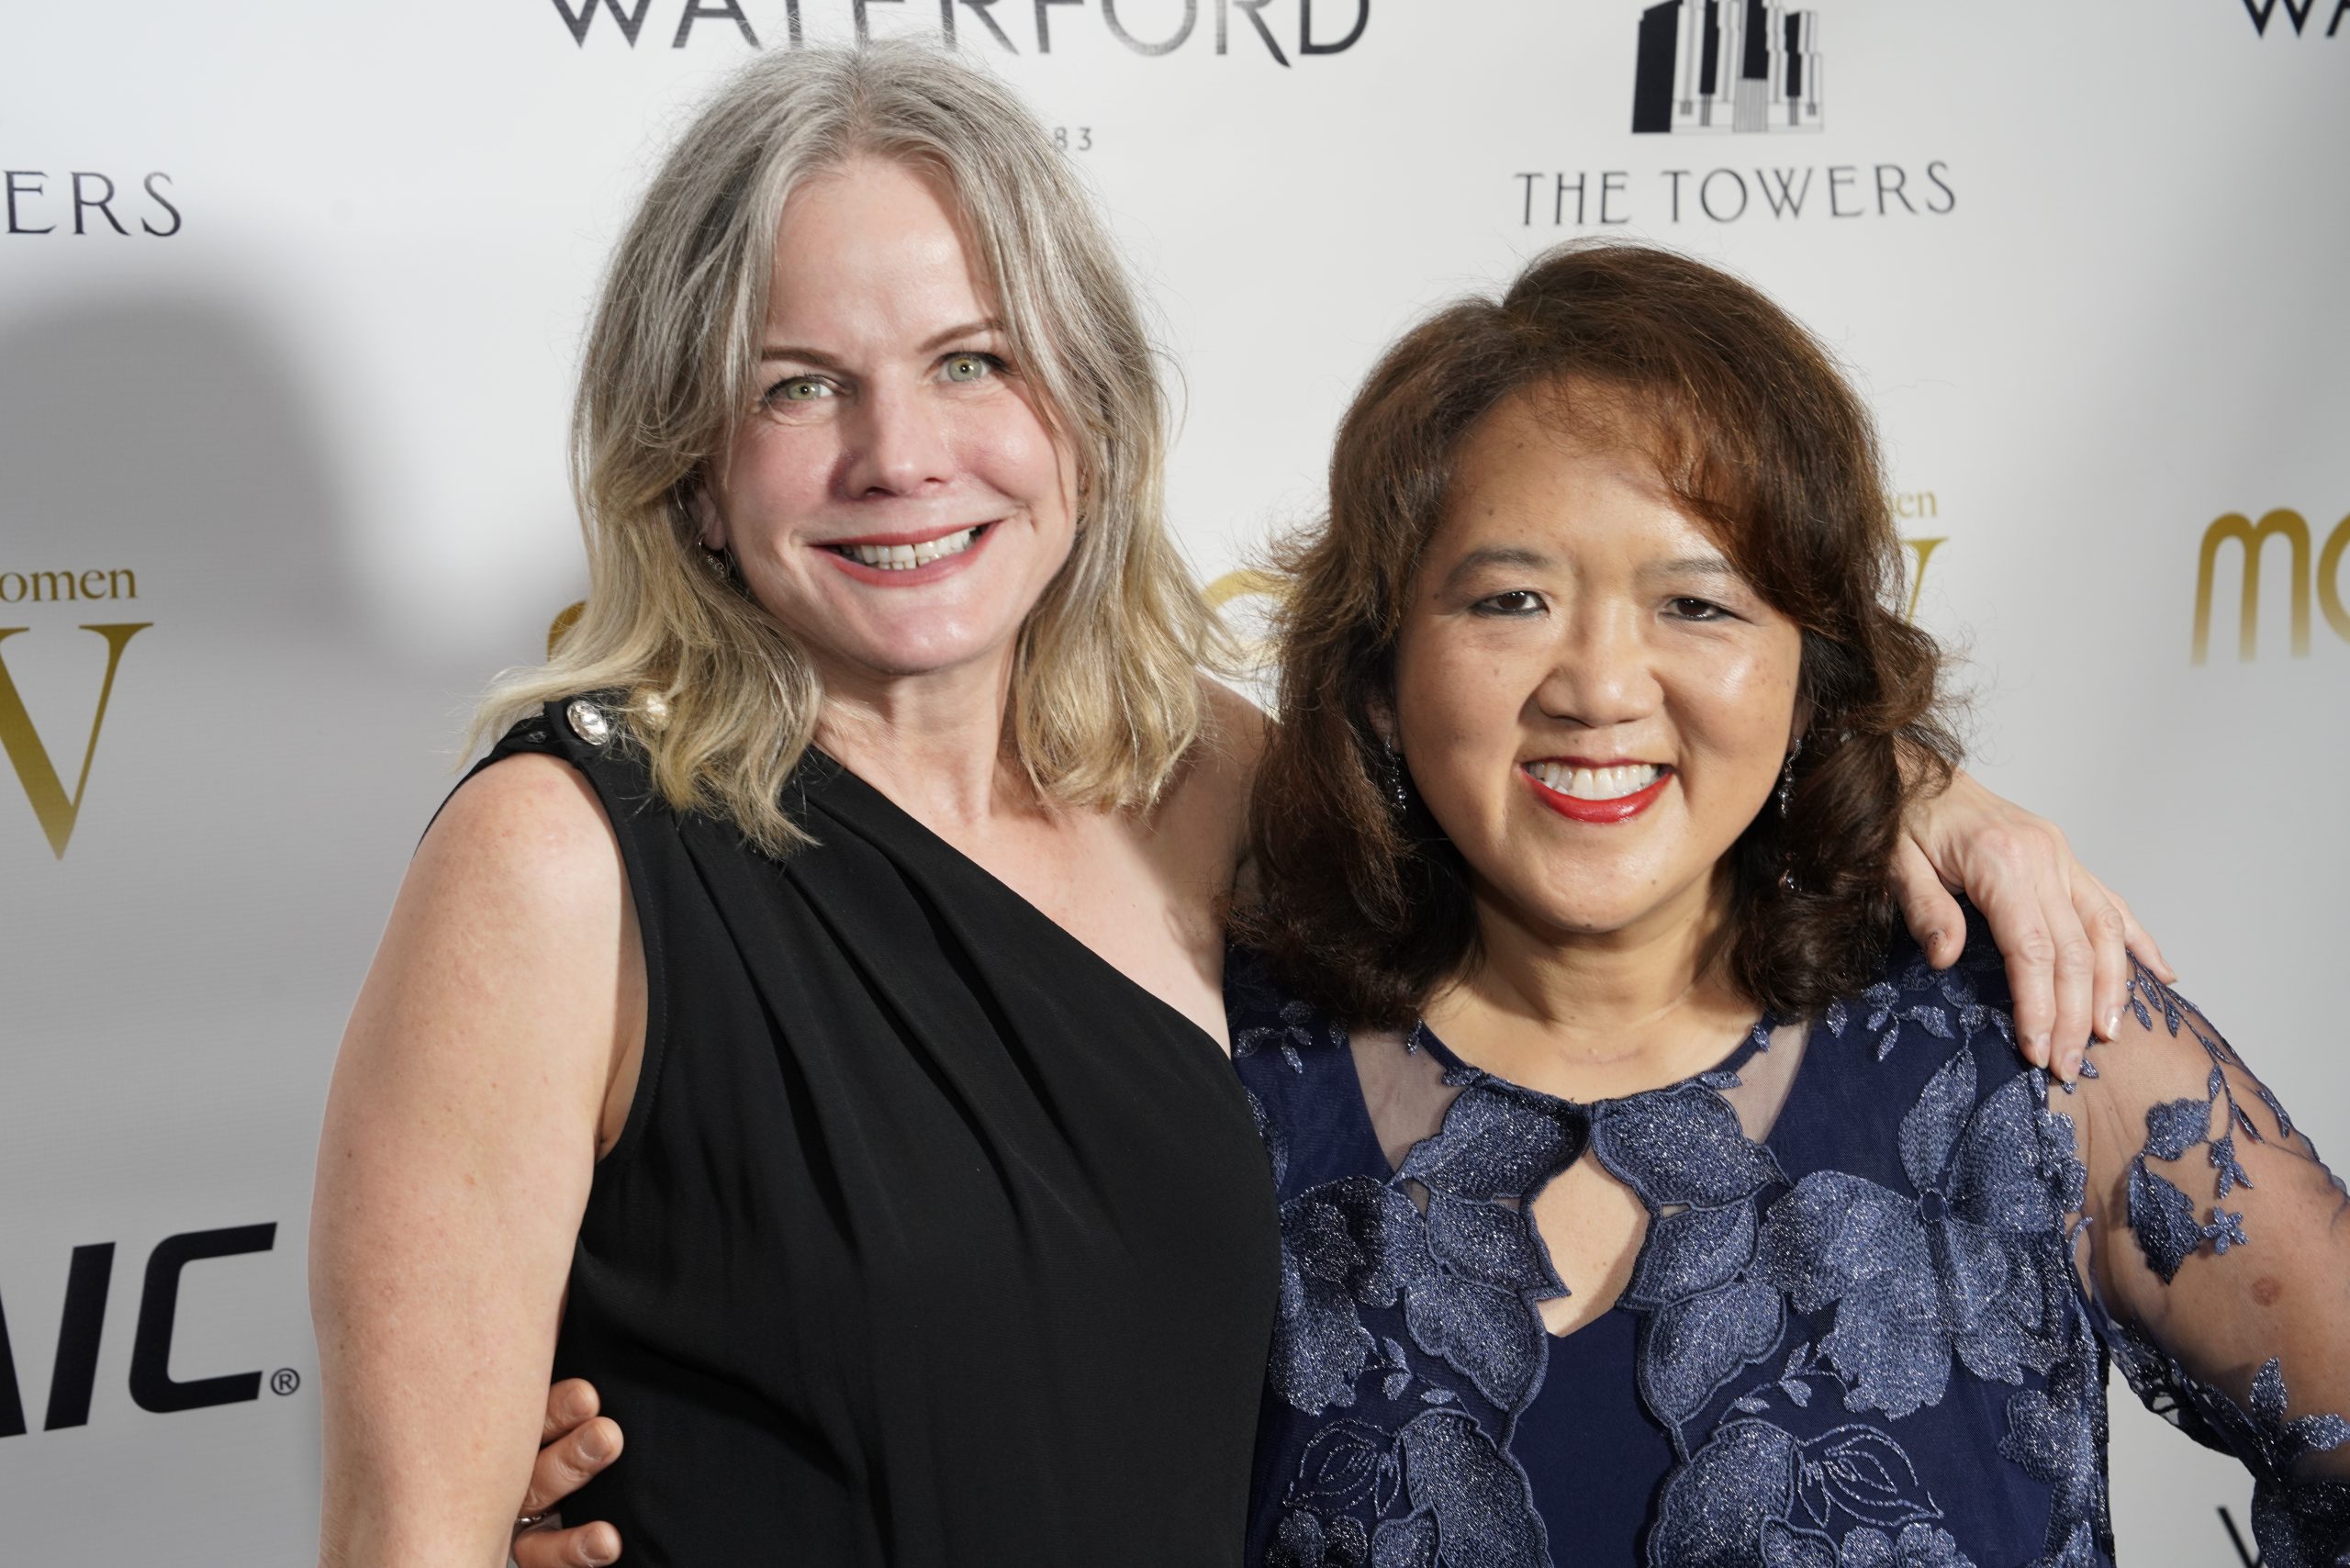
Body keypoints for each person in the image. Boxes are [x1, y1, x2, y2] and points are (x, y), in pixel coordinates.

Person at [309, 44, 2167, 1568]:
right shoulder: (557, 864)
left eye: (972, 361)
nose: (900, 455)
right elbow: (411, 1538)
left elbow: (1568, 768)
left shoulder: (1199, 777)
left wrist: (1925, 790)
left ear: (1084, 409)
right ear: (693, 466)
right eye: (800, 387)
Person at [1223, 242, 2350, 1567]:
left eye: (1697, 604)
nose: (1601, 687)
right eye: (1511, 600)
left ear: (1810, 677)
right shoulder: (1217, 1081)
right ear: (1379, 675)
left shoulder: (2034, 1043)